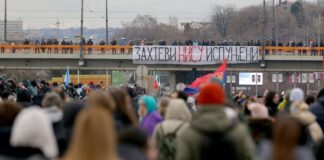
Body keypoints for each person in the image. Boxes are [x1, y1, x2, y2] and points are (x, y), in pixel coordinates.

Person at [176, 83, 255, 160]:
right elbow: (248, 156)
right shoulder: (239, 131)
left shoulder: (187, 133)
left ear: (200, 101)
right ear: (222, 101)